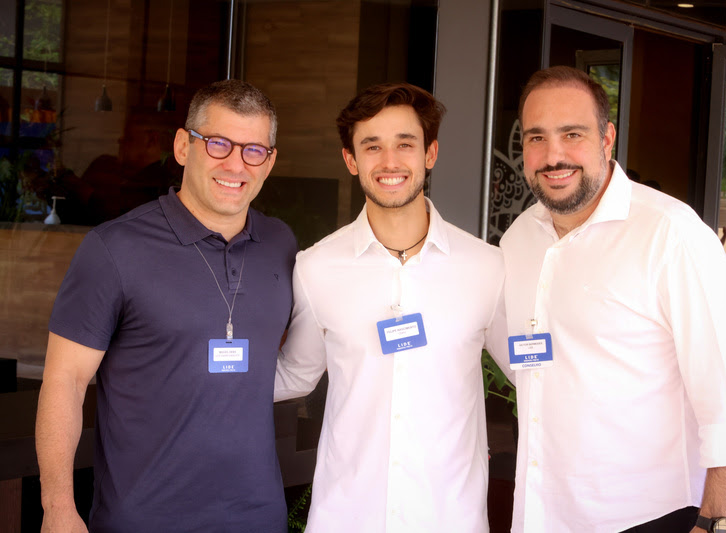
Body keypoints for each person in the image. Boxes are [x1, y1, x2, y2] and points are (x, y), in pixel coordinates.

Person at [500, 66, 726, 532]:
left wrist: (714, 520)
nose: (553, 155)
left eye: (572, 134)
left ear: (607, 139)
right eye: (537, 137)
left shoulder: (670, 234)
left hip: (646, 515)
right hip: (542, 509)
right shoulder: (519, 238)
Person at [35, 79, 296, 532]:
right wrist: (58, 508)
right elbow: (65, 381)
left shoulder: (281, 245)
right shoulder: (114, 249)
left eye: (254, 150)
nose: (236, 164)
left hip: (258, 518)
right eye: (218, 143)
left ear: (269, 162)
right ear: (182, 146)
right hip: (143, 519)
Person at [274, 82, 508, 532]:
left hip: (449, 517)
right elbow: (296, 375)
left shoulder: (486, 267)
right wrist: (187, 372)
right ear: (351, 160)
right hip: (347, 517)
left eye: (405, 144)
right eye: (372, 146)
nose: (389, 162)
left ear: (430, 153)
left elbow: (530, 375)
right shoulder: (316, 267)